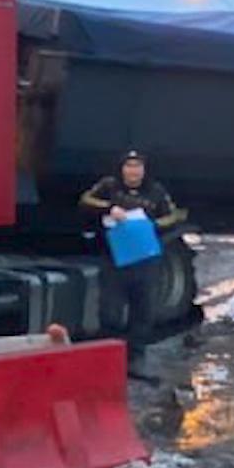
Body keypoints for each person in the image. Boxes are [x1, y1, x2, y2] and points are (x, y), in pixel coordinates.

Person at [80, 151, 186, 380]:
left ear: (144, 170)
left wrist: (150, 223)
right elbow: (86, 201)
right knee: (110, 311)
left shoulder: (156, 191)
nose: (133, 171)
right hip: (114, 257)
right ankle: (108, 359)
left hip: (145, 259)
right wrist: (110, 209)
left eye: (137, 166)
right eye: (129, 166)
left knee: (143, 310)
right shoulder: (109, 186)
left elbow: (173, 216)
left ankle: (136, 359)